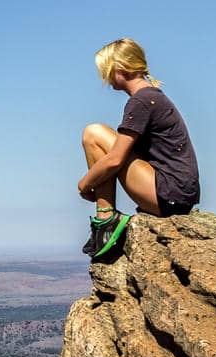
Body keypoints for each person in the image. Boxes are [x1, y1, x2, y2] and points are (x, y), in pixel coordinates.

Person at [78, 38, 200, 259]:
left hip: (167, 194)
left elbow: (115, 159)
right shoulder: (151, 96)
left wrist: (85, 184)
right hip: (176, 193)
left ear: (120, 67)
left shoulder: (142, 100)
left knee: (93, 133)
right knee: (102, 137)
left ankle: (105, 220)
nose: (104, 78)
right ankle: (106, 219)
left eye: (106, 69)